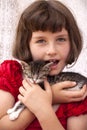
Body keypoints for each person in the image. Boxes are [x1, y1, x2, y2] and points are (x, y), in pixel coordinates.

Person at [0, 0, 87, 130]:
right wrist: (49, 98)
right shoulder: (12, 75)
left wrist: (44, 109)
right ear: (26, 45)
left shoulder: (76, 93)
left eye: (61, 39)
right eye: (41, 40)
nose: (52, 50)